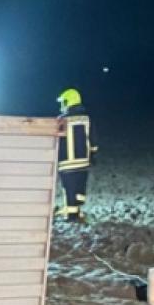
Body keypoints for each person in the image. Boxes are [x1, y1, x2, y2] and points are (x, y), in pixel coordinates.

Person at [55, 88, 98, 222]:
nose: (62, 105)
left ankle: (72, 215)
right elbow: (93, 138)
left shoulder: (61, 120)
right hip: (83, 160)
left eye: (63, 102)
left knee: (68, 188)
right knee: (79, 188)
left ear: (69, 102)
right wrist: (93, 154)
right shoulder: (86, 118)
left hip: (66, 161)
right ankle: (76, 209)